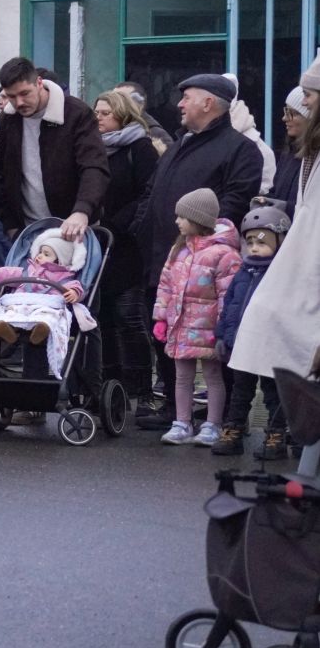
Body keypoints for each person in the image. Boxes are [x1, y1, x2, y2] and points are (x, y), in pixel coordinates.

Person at [133, 73, 263, 429]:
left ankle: (224, 418)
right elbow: (151, 190)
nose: (179, 103)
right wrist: (142, 225)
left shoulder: (240, 150)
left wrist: (201, 241)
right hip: (164, 261)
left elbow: (235, 202)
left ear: (209, 102)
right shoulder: (179, 144)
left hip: (208, 269)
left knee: (214, 345)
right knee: (166, 335)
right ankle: (178, 411)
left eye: (186, 97)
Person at [231, 61, 320, 409]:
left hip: (308, 262)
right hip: (300, 258)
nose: (305, 103)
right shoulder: (306, 152)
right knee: (264, 318)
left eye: (309, 95)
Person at [152, 188, 241, 446]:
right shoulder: (179, 251)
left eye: (182, 217)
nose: (177, 221)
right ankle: (182, 422)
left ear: (198, 219)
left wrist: (224, 329)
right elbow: (165, 285)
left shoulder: (225, 255)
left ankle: (213, 424)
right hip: (181, 325)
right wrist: (161, 317)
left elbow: (228, 296)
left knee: (213, 375)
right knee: (182, 376)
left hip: (210, 329)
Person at [92, 89, 161, 407]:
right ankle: (110, 386)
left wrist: (121, 223)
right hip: (97, 244)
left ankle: (142, 389)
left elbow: (149, 192)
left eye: (105, 113)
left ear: (122, 114)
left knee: (129, 317)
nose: (98, 118)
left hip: (128, 245)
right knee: (102, 317)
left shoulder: (139, 146)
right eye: (96, 112)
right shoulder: (92, 149)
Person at [0, 57, 109, 243]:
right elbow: (3, 173)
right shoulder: (8, 119)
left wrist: (82, 211)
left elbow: (94, 167)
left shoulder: (76, 113)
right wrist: (10, 226)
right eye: (11, 96)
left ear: (39, 83)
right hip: (28, 231)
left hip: (75, 228)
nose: (19, 102)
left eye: (25, 93)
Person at [212, 199, 291, 458]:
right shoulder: (243, 272)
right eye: (251, 243)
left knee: (272, 393)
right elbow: (230, 306)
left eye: (263, 243)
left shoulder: (281, 274)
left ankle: (276, 435)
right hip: (242, 345)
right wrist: (223, 335)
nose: (255, 249)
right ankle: (233, 431)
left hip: (270, 346)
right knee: (240, 391)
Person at [0, 233, 89, 377]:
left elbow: (77, 287)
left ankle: (42, 329)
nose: (39, 256)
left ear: (60, 260)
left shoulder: (65, 277)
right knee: (8, 312)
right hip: (22, 304)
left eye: (46, 254)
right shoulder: (27, 270)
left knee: (50, 316)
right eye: (40, 252)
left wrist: (74, 293)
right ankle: (7, 330)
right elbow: (6, 273)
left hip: (45, 306)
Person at [272, 86, 309, 208]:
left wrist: (282, 207)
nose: (285, 118)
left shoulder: (314, 158)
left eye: (292, 113)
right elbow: (276, 192)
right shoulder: (289, 152)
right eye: (285, 112)